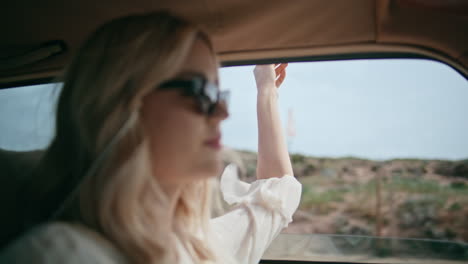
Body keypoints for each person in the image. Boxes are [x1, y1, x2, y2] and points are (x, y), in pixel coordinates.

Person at [0, 11, 301, 264]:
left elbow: (277, 196)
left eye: (219, 93)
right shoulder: (58, 254)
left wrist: (266, 90)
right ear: (121, 103)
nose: (222, 111)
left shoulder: (200, 247)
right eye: (201, 91)